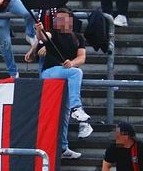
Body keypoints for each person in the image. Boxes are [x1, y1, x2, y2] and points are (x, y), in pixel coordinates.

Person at [26, 8, 93, 159]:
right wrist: (39, 31)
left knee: (63, 114)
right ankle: (77, 107)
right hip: (50, 73)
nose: (59, 21)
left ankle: (63, 148)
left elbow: (81, 58)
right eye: (57, 19)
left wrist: (72, 63)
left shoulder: (77, 37)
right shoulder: (53, 33)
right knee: (77, 73)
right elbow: (43, 36)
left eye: (63, 18)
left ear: (70, 20)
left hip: (65, 77)